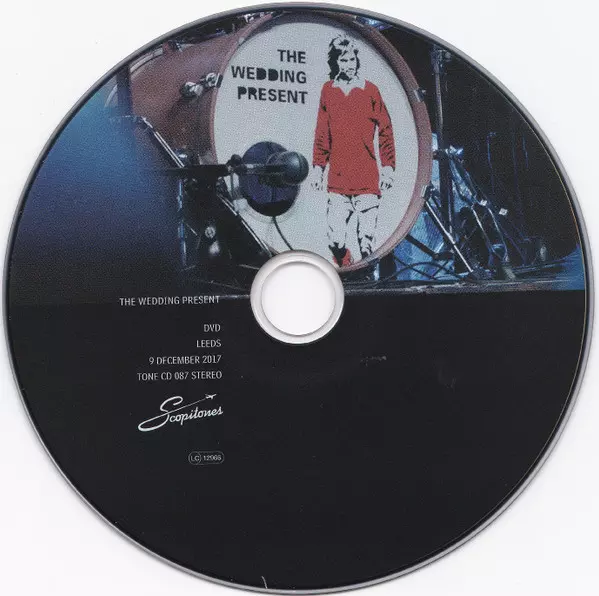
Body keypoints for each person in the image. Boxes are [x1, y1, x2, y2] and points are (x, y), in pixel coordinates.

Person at [312, 34, 396, 267]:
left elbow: (386, 130)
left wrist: (388, 168)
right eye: (343, 60)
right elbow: (322, 133)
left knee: (366, 243)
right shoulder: (328, 90)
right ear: (335, 62)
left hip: (367, 179)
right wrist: (318, 168)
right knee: (335, 242)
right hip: (338, 180)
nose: (349, 65)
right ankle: (347, 267)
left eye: (352, 59)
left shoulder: (370, 91)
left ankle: (366, 279)